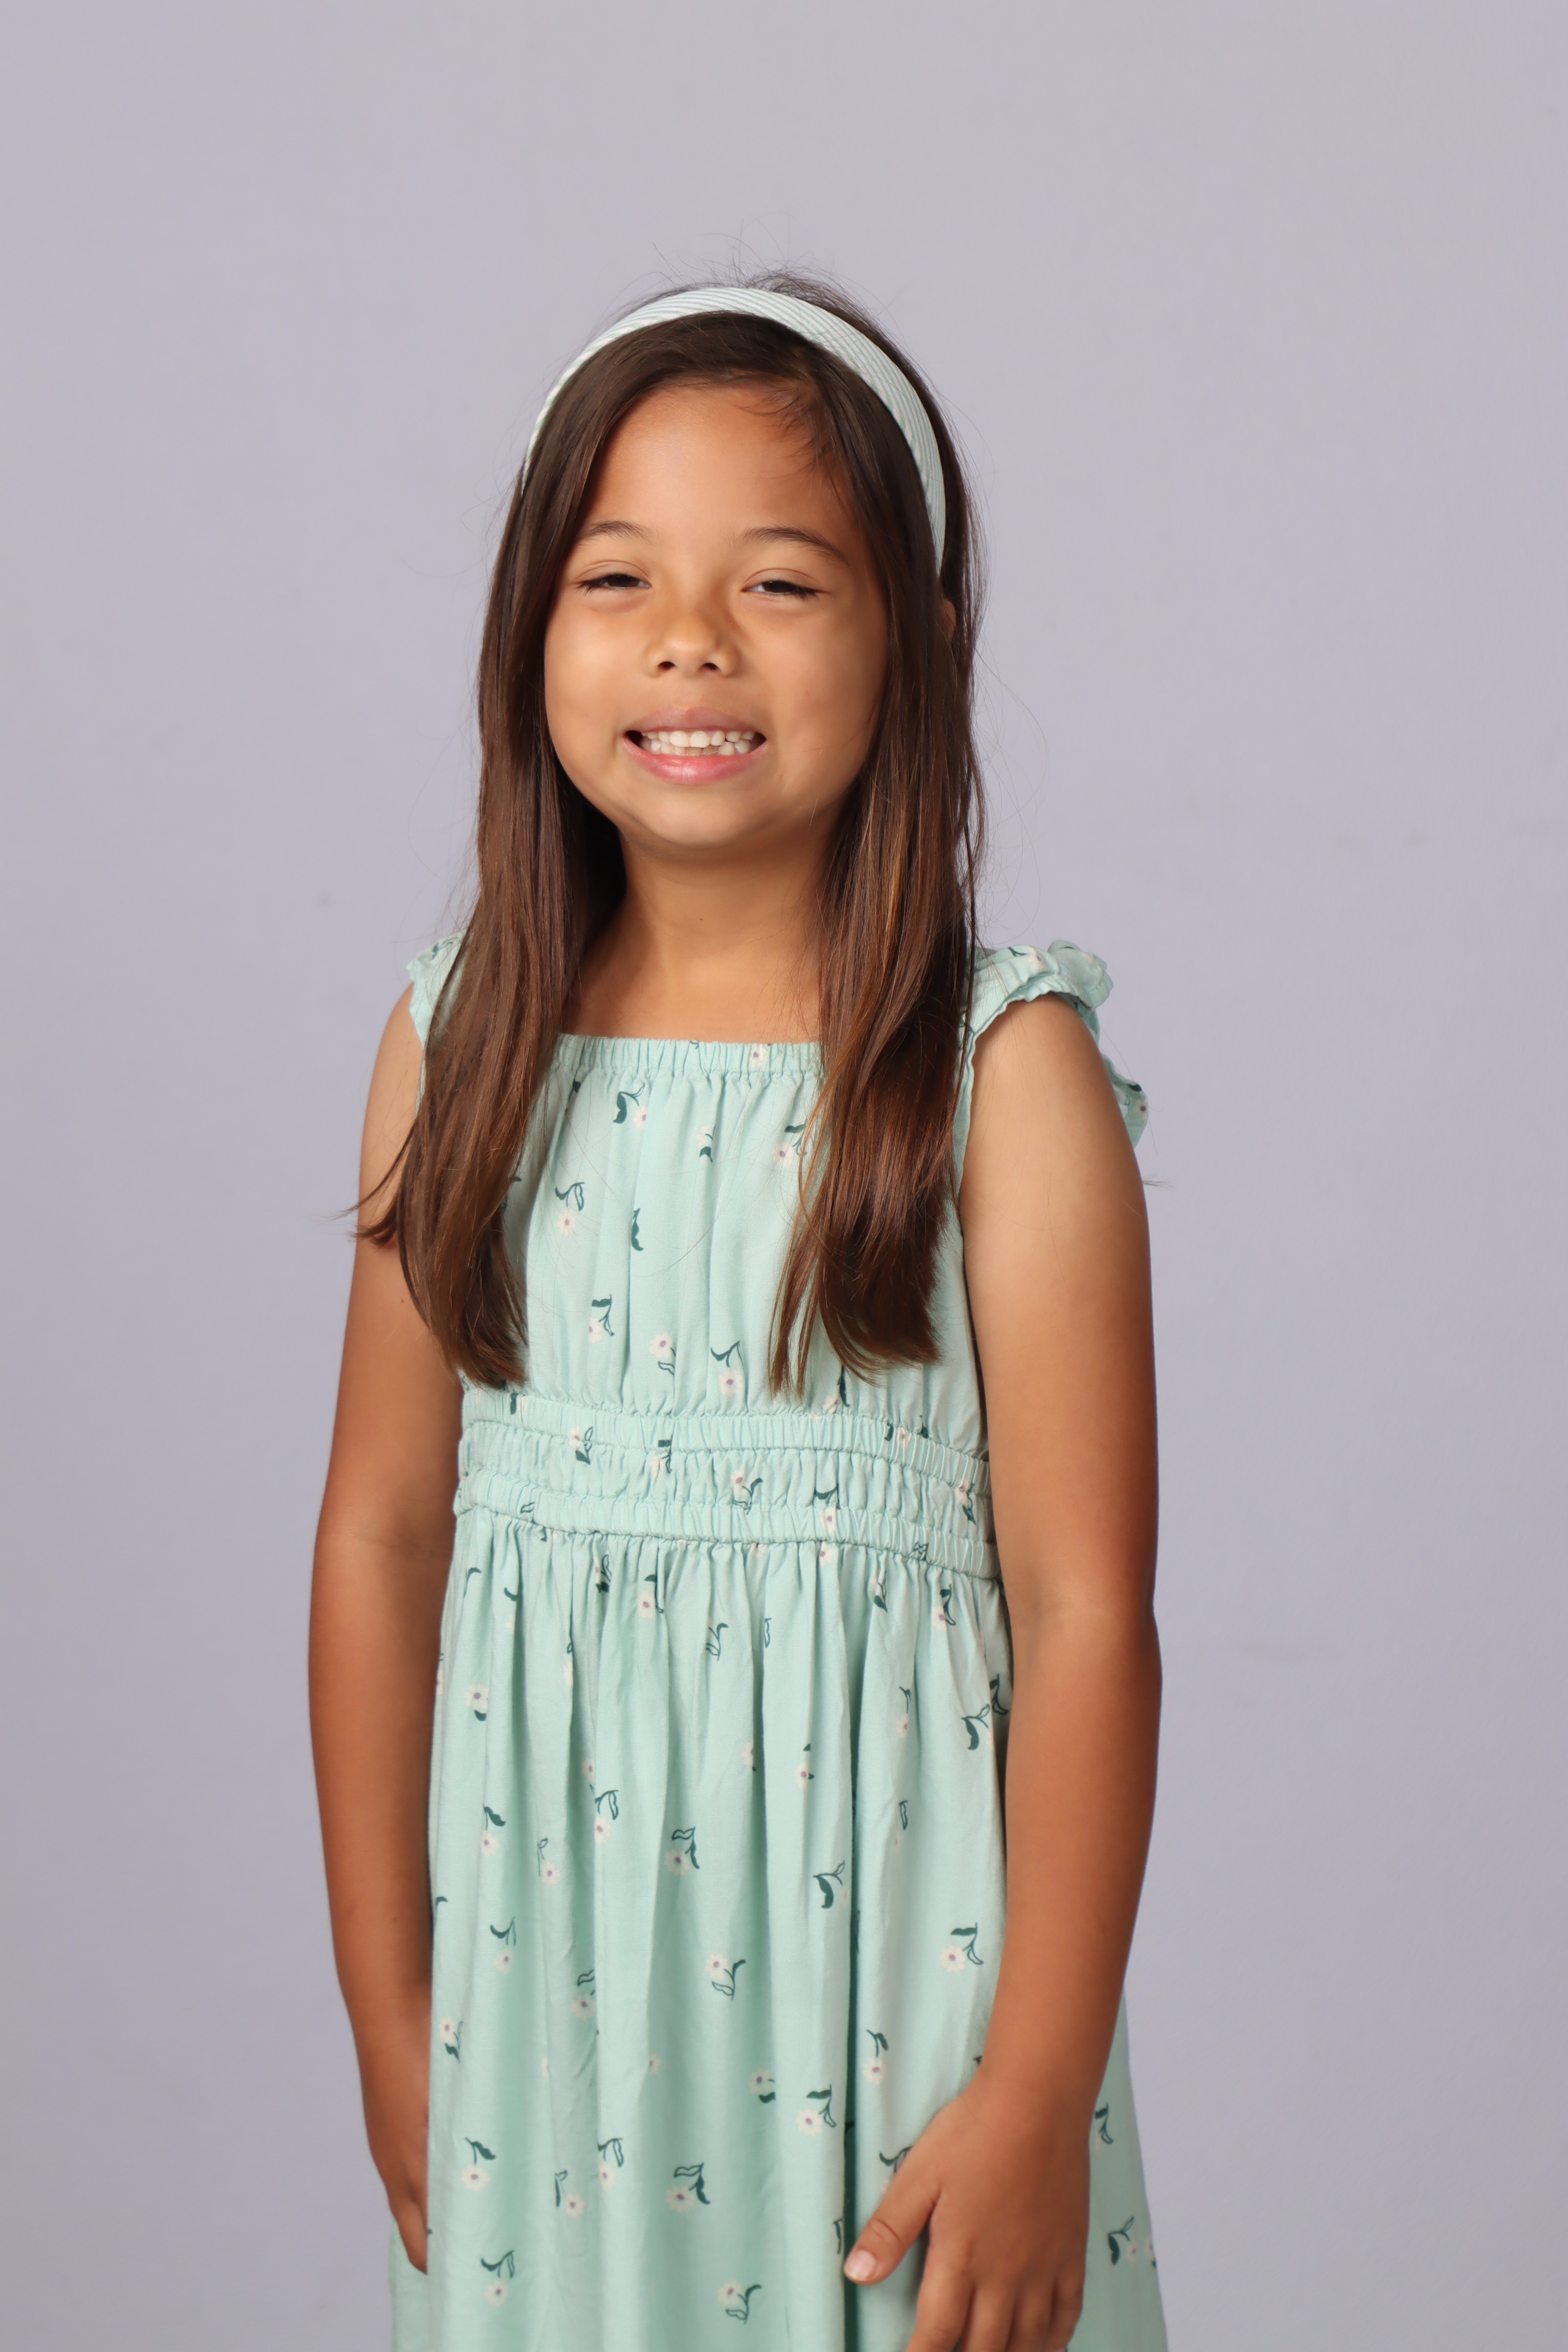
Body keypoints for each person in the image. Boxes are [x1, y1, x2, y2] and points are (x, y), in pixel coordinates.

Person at [309, 272, 1167, 2352]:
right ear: (531, 629)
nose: (690, 639)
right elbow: (382, 1541)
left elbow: (1084, 1612)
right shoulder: (458, 1047)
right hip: (548, 2018)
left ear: (916, 641)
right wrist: (393, 2012)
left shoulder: (1000, 1076)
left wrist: (1038, 2086)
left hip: (905, 2021)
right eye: (618, 578)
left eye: (777, 582)